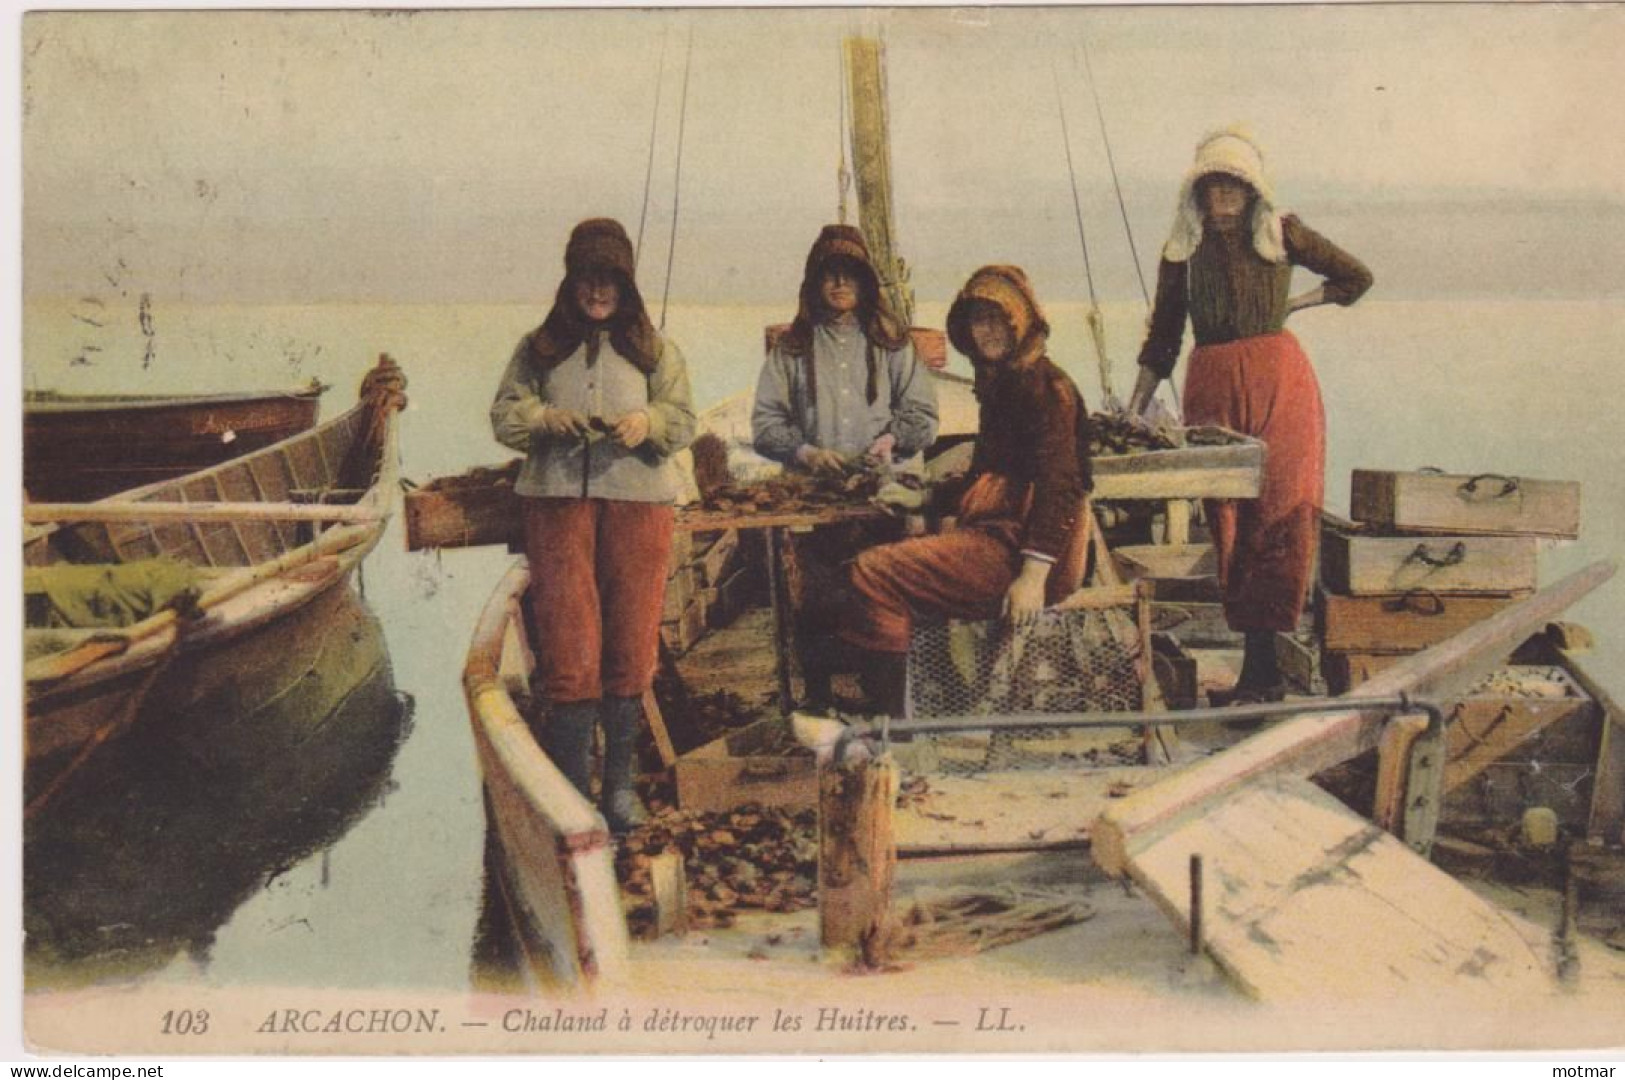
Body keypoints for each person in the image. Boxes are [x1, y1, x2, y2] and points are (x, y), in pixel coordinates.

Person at [1127, 129, 1373, 705]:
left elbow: (1355, 278)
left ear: (1252, 189)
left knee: (1283, 515)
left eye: (1234, 183)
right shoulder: (1180, 252)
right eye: (1214, 184)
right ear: (1199, 192)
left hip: (1281, 383)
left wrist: (1295, 303)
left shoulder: (1282, 233)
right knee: (1230, 523)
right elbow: (1162, 340)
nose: (1225, 194)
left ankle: (1266, 671)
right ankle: (1256, 670)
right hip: (1213, 388)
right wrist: (1133, 410)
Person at [490, 217, 696, 831]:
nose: (597, 292)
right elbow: (503, 415)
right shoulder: (538, 347)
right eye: (587, 279)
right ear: (571, 282)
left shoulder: (657, 350)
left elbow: (683, 421)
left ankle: (620, 791)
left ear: (627, 285)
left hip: (640, 506)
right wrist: (544, 418)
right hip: (556, 505)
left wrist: (649, 424)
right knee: (570, 643)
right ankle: (575, 793)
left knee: (631, 640)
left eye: (610, 280)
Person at [840, 265, 1094, 715]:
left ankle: (896, 725)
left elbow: (1061, 486)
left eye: (998, 320)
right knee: (889, 545)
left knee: (872, 572)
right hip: (996, 536)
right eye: (978, 321)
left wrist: (1033, 579)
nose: (988, 332)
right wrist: (924, 498)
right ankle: (914, 704)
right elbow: (985, 474)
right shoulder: (1004, 383)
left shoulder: (1048, 387)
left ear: (1021, 320)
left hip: (1024, 551)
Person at [751, 224, 939, 710]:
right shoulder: (792, 348)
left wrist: (892, 439)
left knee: (881, 598)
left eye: (849, 274)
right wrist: (805, 452)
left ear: (865, 282)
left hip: (881, 494)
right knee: (814, 603)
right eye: (828, 274)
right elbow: (766, 423)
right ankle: (819, 705)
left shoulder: (893, 345)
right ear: (814, 282)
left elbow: (923, 415)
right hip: (815, 496)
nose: (839, 283)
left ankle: (888, 709)